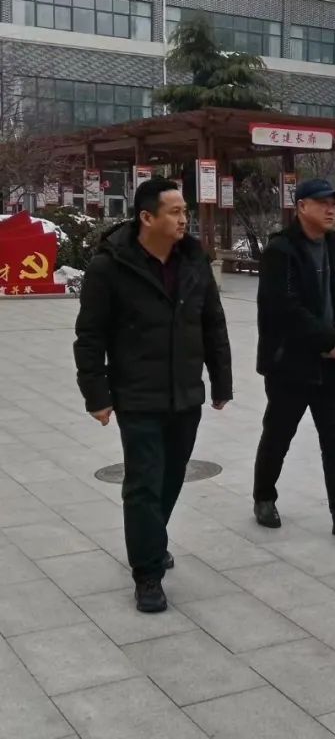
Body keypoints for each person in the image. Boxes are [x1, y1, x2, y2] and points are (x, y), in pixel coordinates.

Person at [73, 177, 232, 613]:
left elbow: (213, 323)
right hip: (137, 395)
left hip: (186, 394)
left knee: (172, 475)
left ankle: (152, 539)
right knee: (143, 482)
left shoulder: (194, 260)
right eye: (175, 212)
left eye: (185, 211)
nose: (184, 219)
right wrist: (97, 395)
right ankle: (147, 573)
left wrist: (221, 382)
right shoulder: (110, 266)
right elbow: (90, 336)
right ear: (147, 217)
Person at [253, 178, 335, 541]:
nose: (331, 209)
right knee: (279, 434)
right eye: (323, 202)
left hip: (334, 364)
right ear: (302, 206)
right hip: (290, 364)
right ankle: (264, 496)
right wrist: (326, 339)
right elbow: (284, 307)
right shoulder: (281, 250)